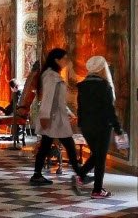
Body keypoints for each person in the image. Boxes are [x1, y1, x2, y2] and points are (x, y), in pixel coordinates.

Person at [31, 49, 83, 185]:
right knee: (69, 146)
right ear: (56, 60)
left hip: (55, 118)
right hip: (53, 119)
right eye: (64, 59)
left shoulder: (53, 75)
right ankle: (80, 175)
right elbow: (48, 98)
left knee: (45, 146)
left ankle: (37, 175)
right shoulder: (51, 76)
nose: (66, 61)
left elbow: (59, 101)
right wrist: (44, 117)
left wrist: (71, 114)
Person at [75, 55, 122, 198]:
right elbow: (109, 109)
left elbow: (80, 108)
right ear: (102, 69)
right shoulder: (105, 86)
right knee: (100, 158)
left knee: (96, 154)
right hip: (102, 126)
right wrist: (117, 127)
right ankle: (97, 190)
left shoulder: (82, 85)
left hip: (87, 126)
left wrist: (80, 124)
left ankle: (82, 175)